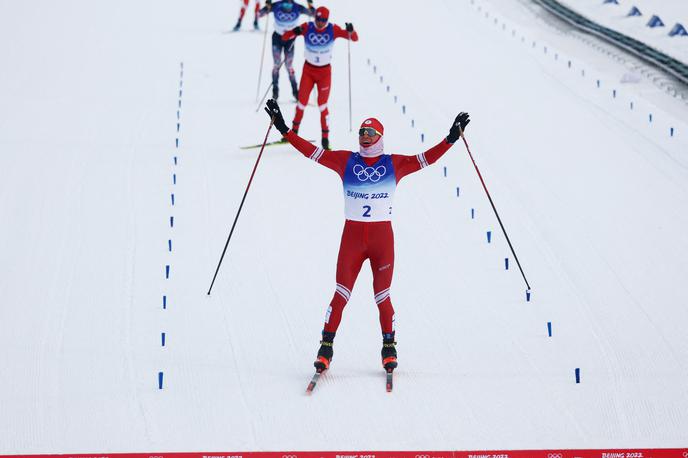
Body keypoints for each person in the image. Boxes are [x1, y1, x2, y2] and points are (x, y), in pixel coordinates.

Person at [264, 98, 471, 373]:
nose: (364, 136)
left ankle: (389, 347)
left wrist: (451, 138)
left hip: (381, 241)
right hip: (352, 240)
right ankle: (326, 347)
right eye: (362, 132)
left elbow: (426, 159)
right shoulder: (345, 160)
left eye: (370, 132)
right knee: (340, 294)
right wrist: (283, 129)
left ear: (380, 137)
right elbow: (311, 152)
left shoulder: (393, 164)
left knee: (382, 295)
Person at [282, 6, 358, 150]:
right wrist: (294, 32)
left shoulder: (333, 29)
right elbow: (285, 37)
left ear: (327, 20)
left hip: (324, 73)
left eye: (323, 20)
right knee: (301, 102)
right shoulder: (307, 26)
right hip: (308, 70)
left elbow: (354, 38)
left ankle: (325, 139)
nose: (320, 22)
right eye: (318, 19)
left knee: (322, 105)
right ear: (314, 17)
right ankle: (293, 133)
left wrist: (350, 30)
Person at [258, 0, 314, 101]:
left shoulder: (297, 7)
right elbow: (259, 14)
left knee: (289, 65)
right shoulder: (277, 5)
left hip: (290, 39)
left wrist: (310, 5)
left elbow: (313, 14)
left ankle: (295, 92)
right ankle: (275, 90)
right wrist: (267, 6)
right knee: (276, 64)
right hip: (277, 38)